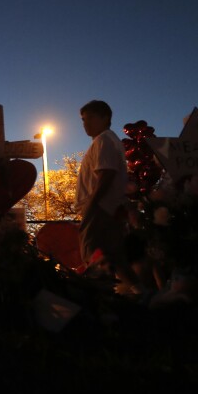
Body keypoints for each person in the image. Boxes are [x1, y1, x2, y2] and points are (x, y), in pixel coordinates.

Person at [74, 100, 142, 295]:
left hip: (99, 207)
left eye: (90, 118)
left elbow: (106, 175)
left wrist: (92, 205)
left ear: (105, 118)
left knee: (92, 253)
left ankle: (99, 298)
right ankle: (142, 292)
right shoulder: (110, 140)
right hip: (111, 206)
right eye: (83, 120)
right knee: (115, 255)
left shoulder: (103, 140)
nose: (85, 124)